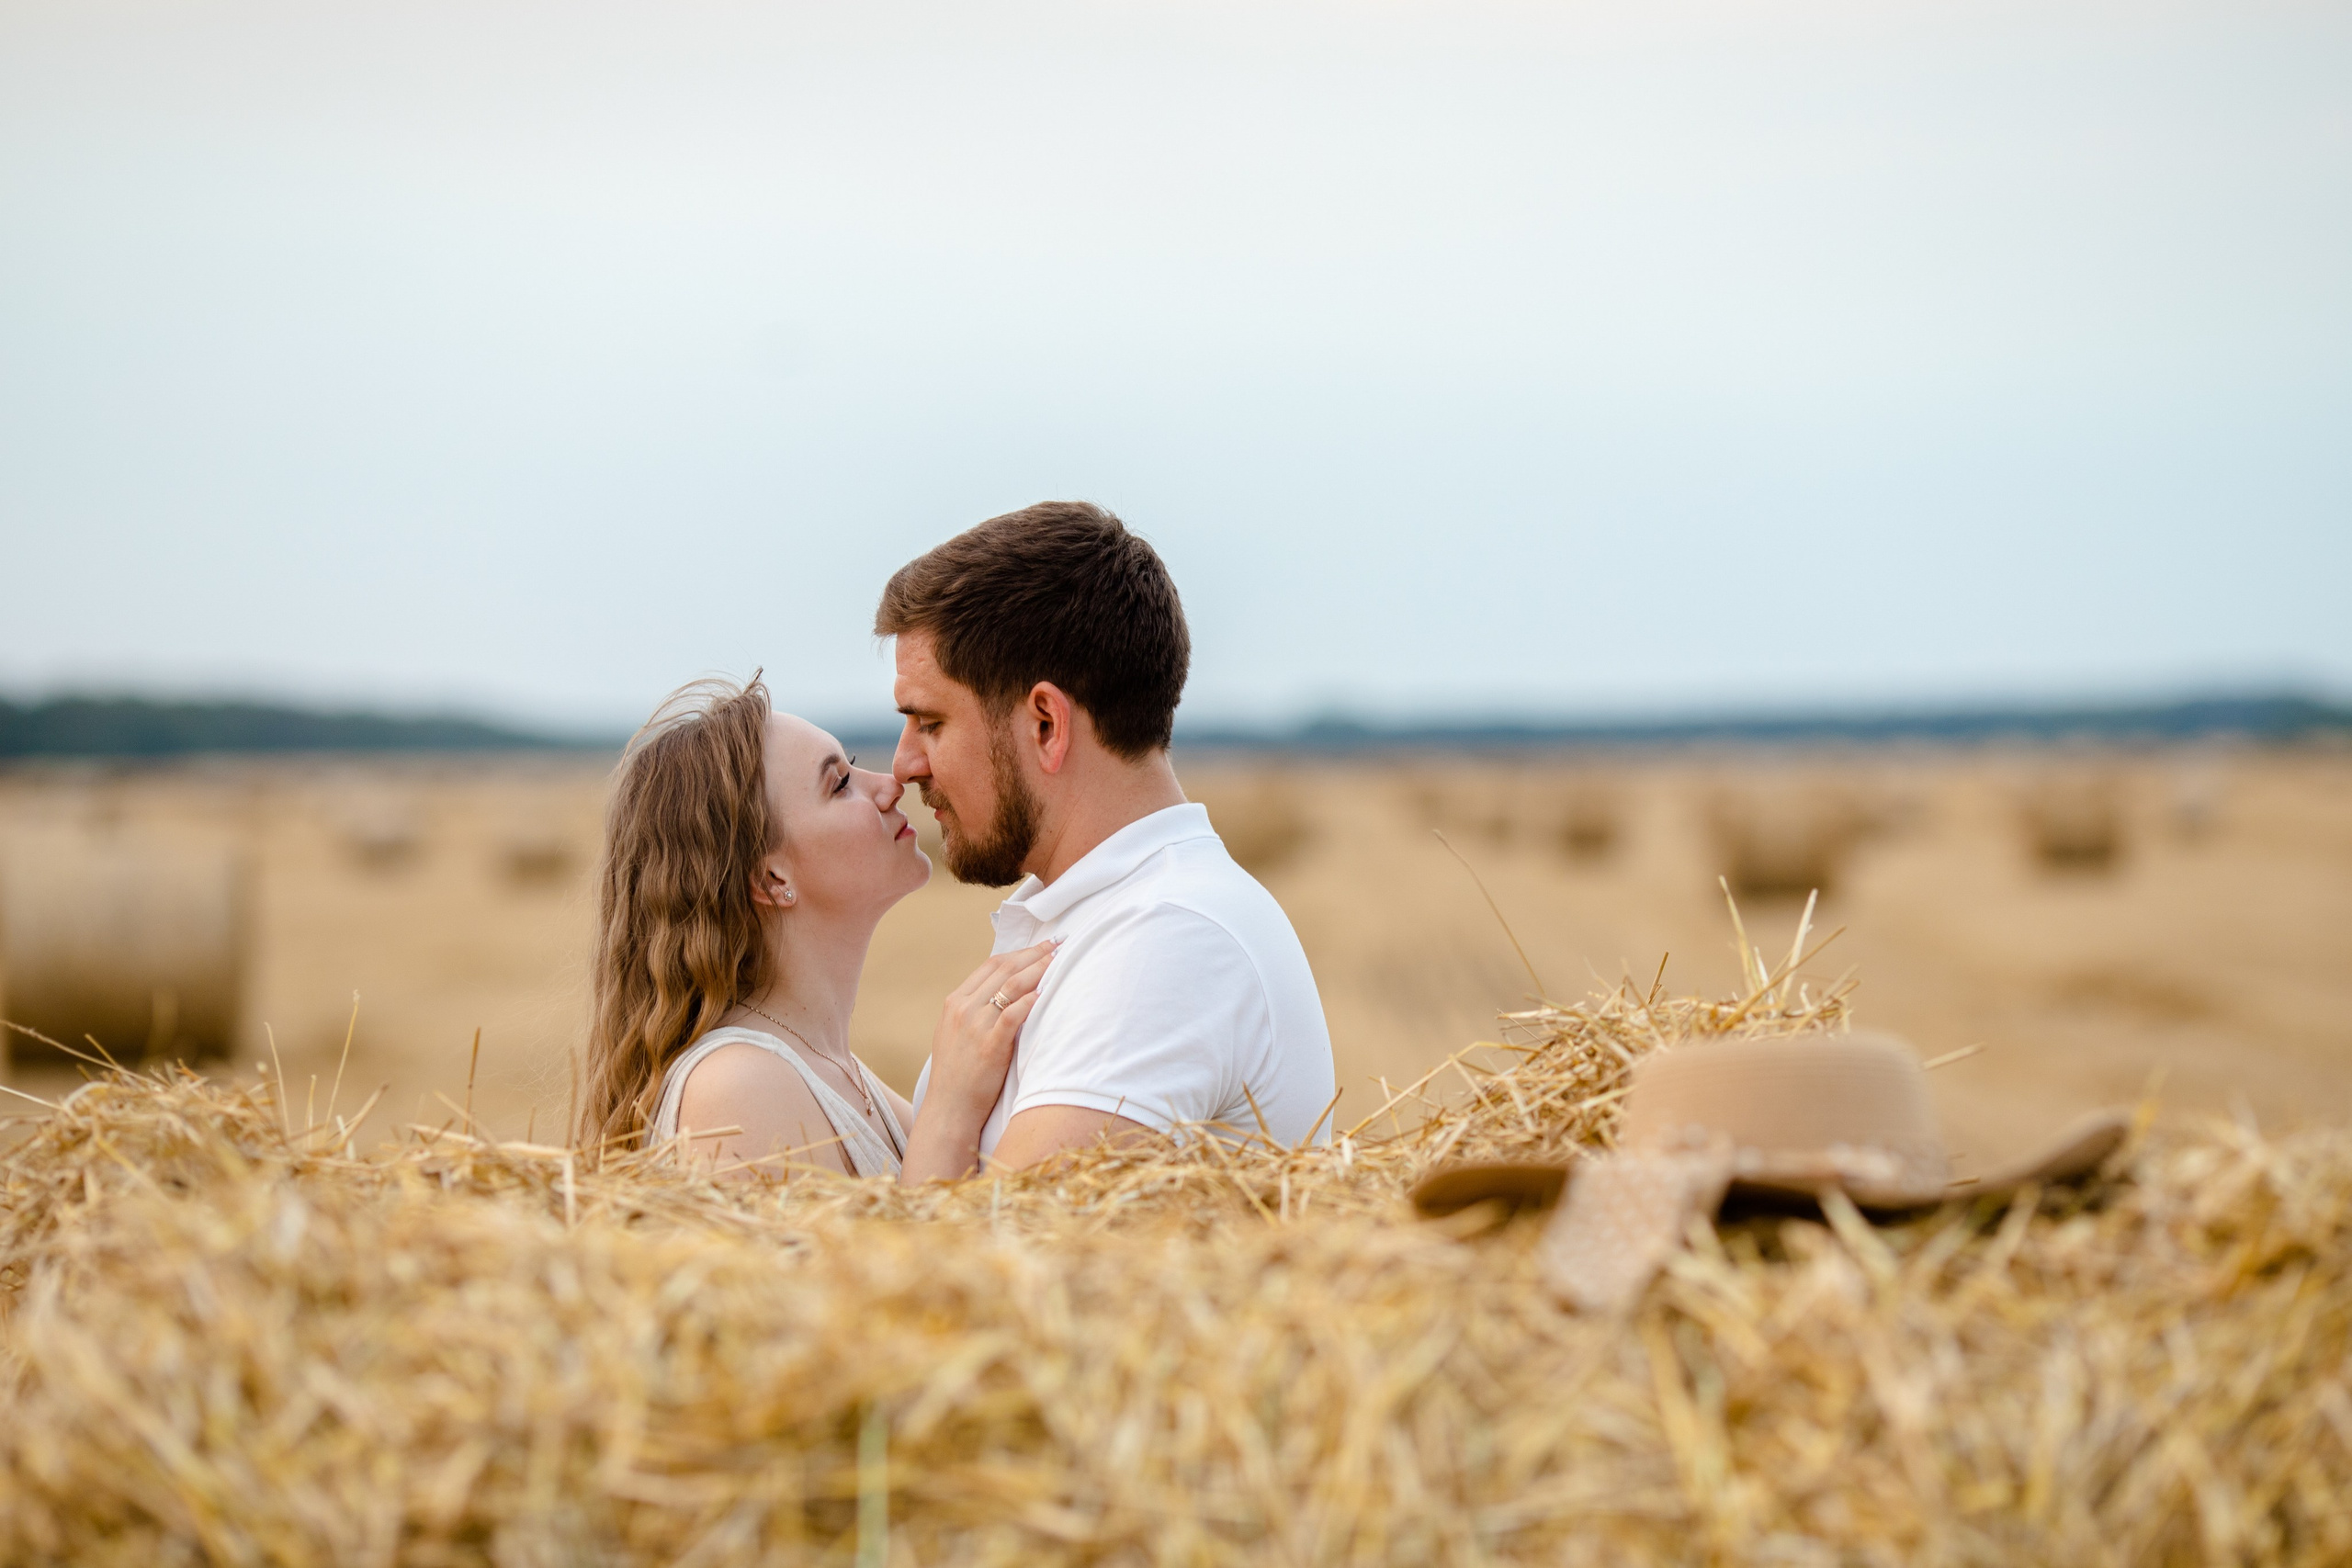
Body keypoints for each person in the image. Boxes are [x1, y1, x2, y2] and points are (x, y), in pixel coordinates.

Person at [881, 500, 1337, 1170]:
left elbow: (990, 1266)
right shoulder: (1118, 914)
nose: (904, 763)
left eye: (931, 722)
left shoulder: (1167, 940)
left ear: (1045, 723)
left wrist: (944, 1125)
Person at [576, 675, 1053, 1182]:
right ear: (770, 877)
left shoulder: (839, 1074)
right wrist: (949, 1110)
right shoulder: (735, 1090)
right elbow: (906, 1259)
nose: (891, 785)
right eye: (841, 784)